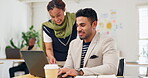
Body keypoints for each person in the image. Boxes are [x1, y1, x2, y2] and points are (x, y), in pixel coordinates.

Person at [58, 8, 119, 77]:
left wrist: (81, 72)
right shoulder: (73, 44)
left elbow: (111, 68)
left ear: (94, 24)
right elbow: (68, 67)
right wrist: (61, 71)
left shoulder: (107, 42)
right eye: (77, 26)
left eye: (82, 25)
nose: (78, 29)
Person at [41, 0, 77, 67]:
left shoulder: (74, 21)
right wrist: (51, 57)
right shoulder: (48, 27)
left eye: (58, 15)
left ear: (64, 10)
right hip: (56, 63)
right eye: (52, 17)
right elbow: (49, 48)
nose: (56, 19)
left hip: (74, 62)